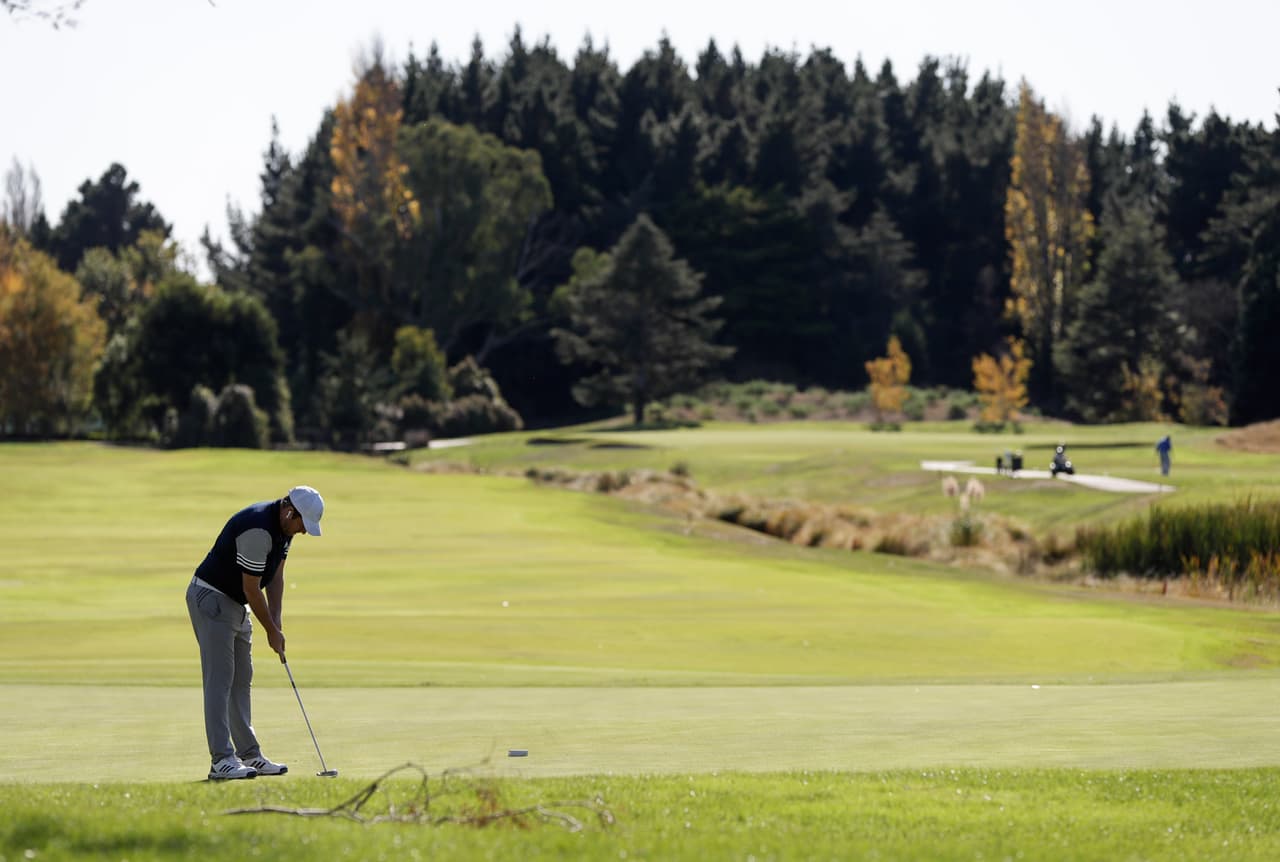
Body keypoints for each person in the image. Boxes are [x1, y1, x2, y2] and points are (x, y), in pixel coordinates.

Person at [186, 486, 324, 780]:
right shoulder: (258, 530)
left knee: (241, 679)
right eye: (302, 525)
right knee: (220, 679)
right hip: (212, 598)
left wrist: (277, 622)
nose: (302, 532)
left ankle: (249, 754)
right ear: (290, 512)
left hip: (235, 604)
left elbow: (275, 578)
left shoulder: (283, 530)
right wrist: (270, 631)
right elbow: (252, 587)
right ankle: (222, 760)